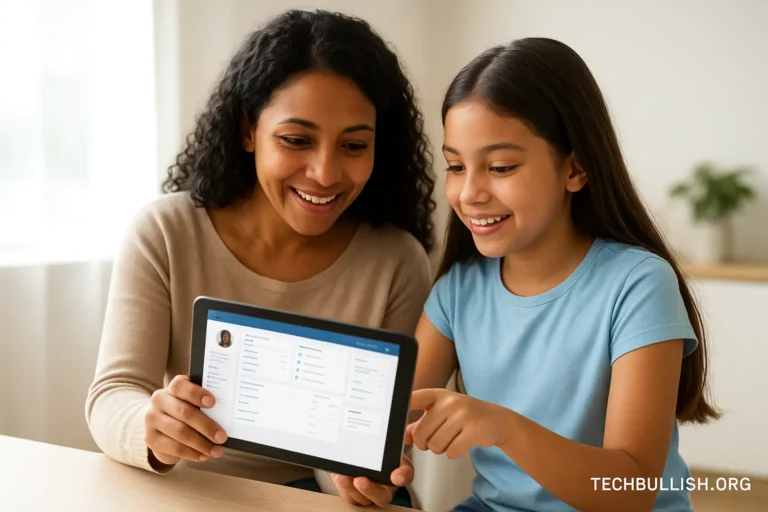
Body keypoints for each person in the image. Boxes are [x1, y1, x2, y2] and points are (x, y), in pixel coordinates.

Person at [85, 9, 436, 509]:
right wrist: (153, 429)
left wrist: (363, 477)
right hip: (187, 488)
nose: (325, 172)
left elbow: (374, 441)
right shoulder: (165, 232)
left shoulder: (397, 261)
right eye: (296, 140)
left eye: (354, 145)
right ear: (249, 129)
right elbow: (114, 392)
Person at [405, 38, 719, 512]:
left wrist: (504, 427)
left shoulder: (638, 284)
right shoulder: (457, 292)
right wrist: (369, 470)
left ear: (574, 168)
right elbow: (387, 424)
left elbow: (630, 493)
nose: (469, 193)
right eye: (455, 166)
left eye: (500, 166)